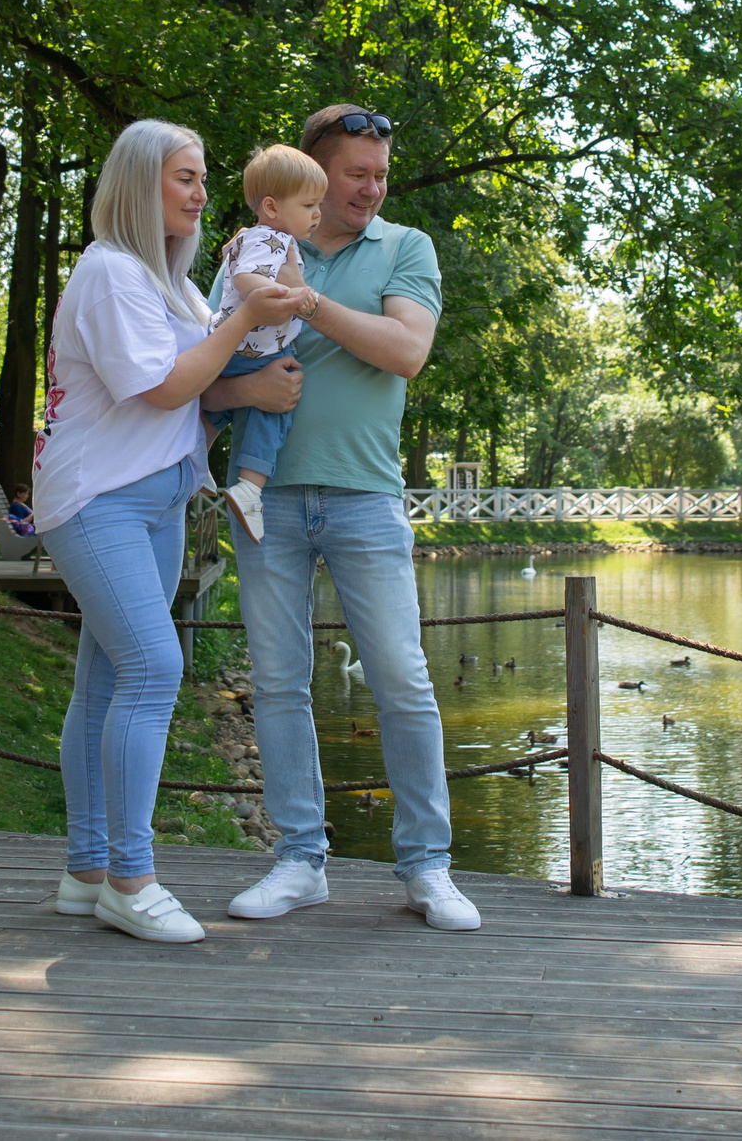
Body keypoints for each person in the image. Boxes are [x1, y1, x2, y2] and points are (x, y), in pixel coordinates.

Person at [211, 103, 481, 931]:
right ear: (313, 174)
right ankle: (299, 860)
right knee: (281, 682)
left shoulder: (405, 248)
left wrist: (310, 305)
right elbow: (197, 378)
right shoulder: (246, 252)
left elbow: (406, 351)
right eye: (356, 173)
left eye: (380, 173)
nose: (372, 187)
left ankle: (428, 867)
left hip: (365, 499)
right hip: (267, 498)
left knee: (402, 678)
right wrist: (248, 388)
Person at [33, 117, 301, 944]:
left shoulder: (175, 286)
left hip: (157, 498)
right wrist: (242, 315)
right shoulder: (110, 271)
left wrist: (250, 381)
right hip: (99, 499)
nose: (199, 192)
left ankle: (86, 871)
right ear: (138, 182)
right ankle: (131, 876)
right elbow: (160, 386)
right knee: (154, 665)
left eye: (202, 177)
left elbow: (199, 389)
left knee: (109, 681)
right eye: (183, 176)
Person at [204, 143, 327, 545]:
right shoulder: (272, 239)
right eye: (309, 205)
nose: (317, 214)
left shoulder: (254, 237)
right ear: (272, 206)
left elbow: (236, 263)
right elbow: (246, 281)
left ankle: (191, 461)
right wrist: (292, 296)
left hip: (235, 347)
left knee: (218, 412)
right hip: (259, 349)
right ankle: (250, 489)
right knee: (273, 412)